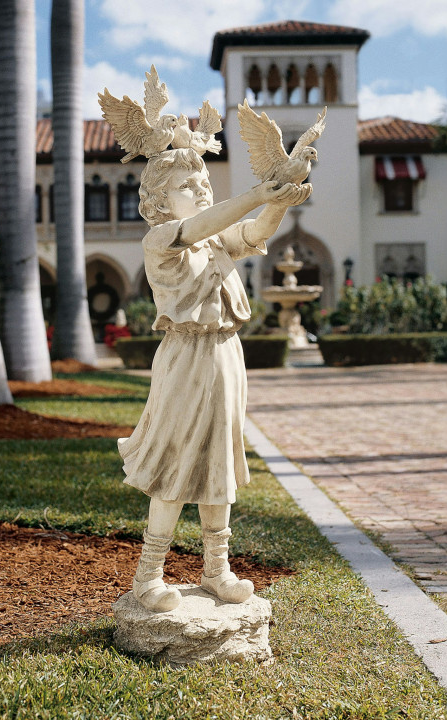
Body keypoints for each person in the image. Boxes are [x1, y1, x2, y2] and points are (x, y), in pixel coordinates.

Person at [119, 147, 311, 612]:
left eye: (204, 181)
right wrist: (254, 193)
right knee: (175, 461)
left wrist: (281, 201)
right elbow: (198, 227)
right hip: (187, 355)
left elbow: (255, 231)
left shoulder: (217, 239)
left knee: (218, 460)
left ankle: (216, 570)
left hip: (227, 351)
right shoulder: (162, 238)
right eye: (187, 185)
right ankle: (149, 576)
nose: (201, 188)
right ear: (160, 201)